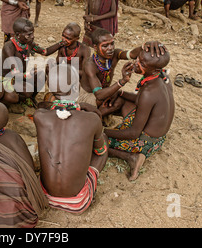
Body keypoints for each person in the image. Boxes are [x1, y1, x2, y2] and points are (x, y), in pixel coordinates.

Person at [34, 63, 108, 214]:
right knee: (103, 144)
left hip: (43, 195)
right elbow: (99, 151)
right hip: (77, 202)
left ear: (51, 89)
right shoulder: (91, 119)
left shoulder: (39, 116)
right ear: (76, 88)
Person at [103, 48, 174, 181]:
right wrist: (121, 92)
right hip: (159, 137)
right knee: (121, 99)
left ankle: (132, 157)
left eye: (142, 63)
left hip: (146, 142)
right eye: (138, 59)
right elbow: (140, 100)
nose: (136, 63)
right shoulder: (162, 76)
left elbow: (133, 133)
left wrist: (103, 131)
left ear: (153, 69)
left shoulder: (149, 92)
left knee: (95, 140)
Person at [79, 28, 166, 110]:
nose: (110, 48)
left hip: (103, 92)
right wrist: (122, 81)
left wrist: (144, 46)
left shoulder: (115, 54)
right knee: (108, 99)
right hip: (88, 96)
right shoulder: (90, 65)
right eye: (105, 46)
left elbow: (132, 54)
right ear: (95, 47)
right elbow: (99, 95)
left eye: (112, 43)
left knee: (118, 99)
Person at [0, 17, 64, 109]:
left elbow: (45, 52)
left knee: (41, 76)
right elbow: (15, 75)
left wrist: (61, 43)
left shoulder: (28, 43)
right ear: (18, 34)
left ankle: (28, 98)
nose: (32, 36)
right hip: (8, 79)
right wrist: (29, 74)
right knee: (26, 90)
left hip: (21, 76)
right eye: (28, 34)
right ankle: (12, 103)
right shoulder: (9, 47)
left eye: (32, 33)